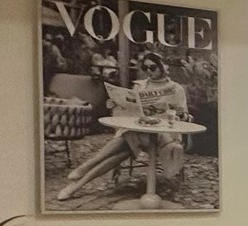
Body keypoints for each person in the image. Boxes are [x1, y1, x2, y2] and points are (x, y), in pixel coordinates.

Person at [54, 52, 189, 202]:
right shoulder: (140, 85)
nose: (149, 71)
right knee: (123, 149)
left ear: (163, 66)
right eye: (145, 68)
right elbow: (128, 111)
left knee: (125, 143)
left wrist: (180, 113)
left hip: (165, 136)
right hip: (141, 130)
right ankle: (77, 184)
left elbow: (184, 117)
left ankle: (81, 175)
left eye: (153, 67)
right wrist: (115, 104)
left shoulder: (176, 89)